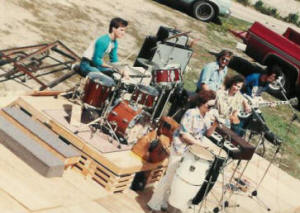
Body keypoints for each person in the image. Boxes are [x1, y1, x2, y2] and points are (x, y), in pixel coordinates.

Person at [147, 90, 218, 212]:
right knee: (169, 177)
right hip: (180, 149)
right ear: (202, 102)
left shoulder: (205, 116)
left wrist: (215, 125)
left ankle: (164, 201)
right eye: (209, 106)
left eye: (213, 106)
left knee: (177, 178)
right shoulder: (191, 113)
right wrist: (200, 144)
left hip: (190, 151)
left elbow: (208, 133)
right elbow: (184, 135)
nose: (210, 109)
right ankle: (154, 203)